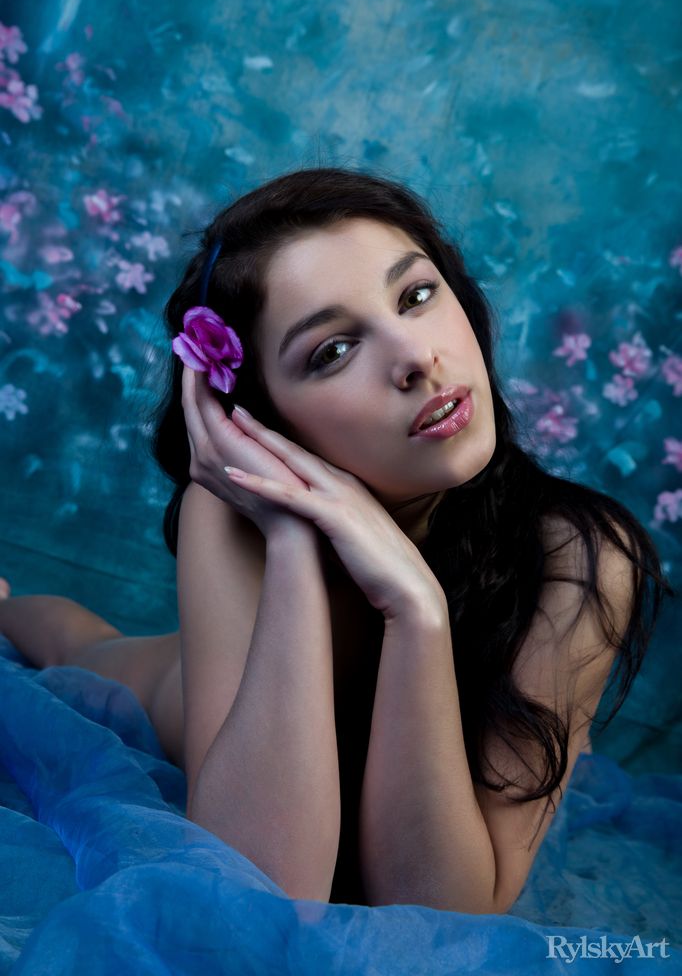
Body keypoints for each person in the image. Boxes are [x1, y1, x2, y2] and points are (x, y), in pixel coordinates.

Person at [0, 167, 673, 913]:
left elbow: (448, 911)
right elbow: (259, 896)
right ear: (264, 421)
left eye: (416, 296)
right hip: (179, 705)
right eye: (332, 352)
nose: (416, 358)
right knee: (82, 649)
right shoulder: (234, 509)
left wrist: (415, 610)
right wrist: (292, 539)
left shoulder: (577, 559)